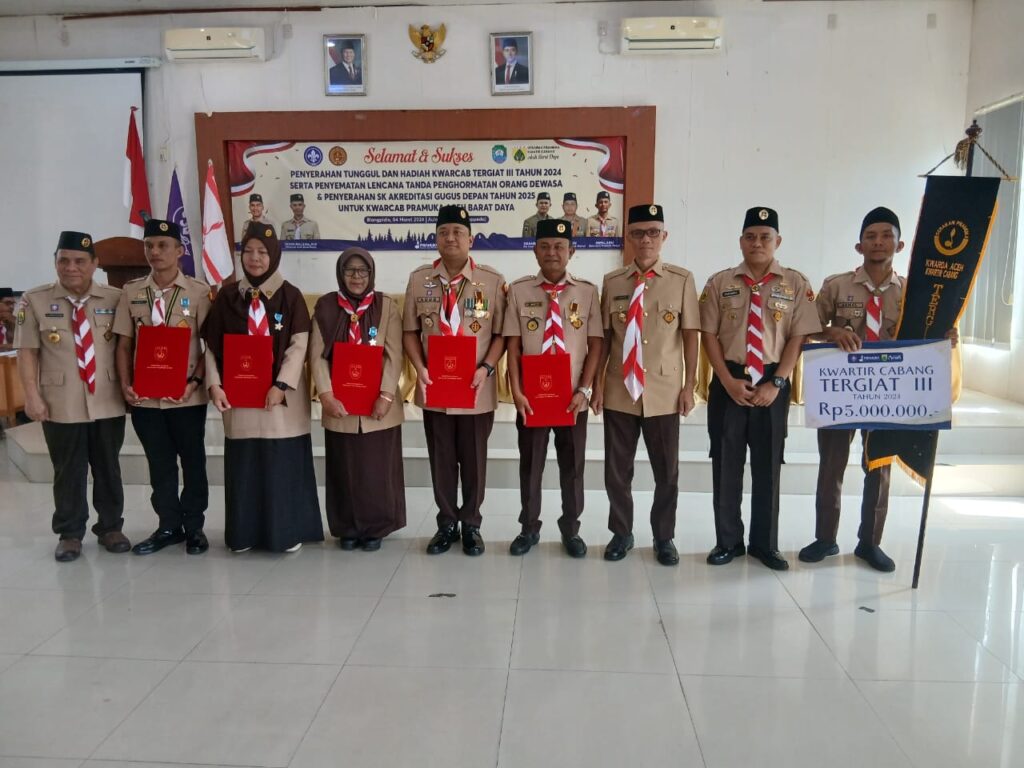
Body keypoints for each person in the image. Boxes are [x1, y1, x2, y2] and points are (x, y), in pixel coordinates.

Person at [799, 206, 939, 572]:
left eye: (886, 236)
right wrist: (832, 331)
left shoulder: (912, 292)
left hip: (888, 393)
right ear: (859, 246)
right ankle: (825, 538)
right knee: (831, 466)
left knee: (879, 468)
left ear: (900, 244)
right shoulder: (836, 285)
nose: (878, 242)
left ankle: (870, 542)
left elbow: (925, 336)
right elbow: (808, 326)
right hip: (841, 391)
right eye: (870, 236)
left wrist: (946, 337)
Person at [700, 207, 822, 570]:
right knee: (726, 464)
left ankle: (765, 544)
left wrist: (778, 382)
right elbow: (708, 335)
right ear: (741, 241)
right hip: (730, 380)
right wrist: (726, 380)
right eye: (750, 237)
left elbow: (799, 336)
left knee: (768, 466)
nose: (757, 243)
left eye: (765, 237)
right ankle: (728, 542)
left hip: (773, 380)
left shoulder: (795, 283)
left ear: (777, 241)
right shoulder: (719, 282)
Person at [201, 224, 323, 553]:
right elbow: (211, 347)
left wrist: (281, 384)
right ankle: (244, 534)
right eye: (249, 251)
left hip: (280, 401)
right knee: (245, 467)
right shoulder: (227, 297)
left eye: (263, 252)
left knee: (280, 465)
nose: (255, 258)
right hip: (238, 399)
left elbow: (299, 344)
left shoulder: (290, 295)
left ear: (275, 256)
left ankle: (286, 532)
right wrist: (214, 385)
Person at [591, 204, 699, 566]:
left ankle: (663, 536)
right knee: (616, 470)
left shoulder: (681, 280)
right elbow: (605, 338)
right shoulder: (613, 282)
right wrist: (596, 385)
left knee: (666, 471)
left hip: (664, 391)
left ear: (664, 236)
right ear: (628, 238)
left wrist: (689, 385)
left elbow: (690, 336)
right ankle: (621, 532)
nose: (646, 240)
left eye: (653, 232)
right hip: (619, 389)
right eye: (638, 233)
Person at [15, 231, 130, 562]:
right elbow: (27, 352)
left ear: (95, 264)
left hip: (106, 398)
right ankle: (69, 533)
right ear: (55, 262)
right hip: (60, 401)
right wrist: (31, 396)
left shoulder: (115, 298)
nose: (71, 267)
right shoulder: (35, 300)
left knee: (108, 466)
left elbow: (128, 347)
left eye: (80, 261)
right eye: (63, 260)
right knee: (68, 469)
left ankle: (110, 527)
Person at [403, 205, 506, 556]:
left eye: (458, 232)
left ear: (470, 240)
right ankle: (446, 522)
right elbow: (410, 331)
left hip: (475, 388)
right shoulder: (418, 280)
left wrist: (486, 368)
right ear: (435, 238)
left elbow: (501, 335)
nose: (451, 238)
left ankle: (472, 525)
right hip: (436, 387)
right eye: (444, 232)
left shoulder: (492, 281)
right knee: (442, 460)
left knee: (474, 462)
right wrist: (420, 367)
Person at [113, 219, 212, 556]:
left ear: (180, 251)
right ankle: (168, 525)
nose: (155, 252)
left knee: (193, 462)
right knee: (159, 464)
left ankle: (194, 526)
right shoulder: (131, 292)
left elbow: (209, 346)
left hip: (186, 398)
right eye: (149, 245)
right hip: (146, 398)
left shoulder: (199, 292)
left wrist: (194, 382)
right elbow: (124, 345)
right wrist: (125, 385)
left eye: (162, 245)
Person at [504, 219, 602, 558]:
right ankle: (529, 528)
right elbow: (513, 347)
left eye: (559, 246)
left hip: (572, 397)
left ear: (571, 251)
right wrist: (516, 392)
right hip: (532, 397)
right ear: (535, 251)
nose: (552, 252)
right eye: (544, 246)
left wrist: (585, 390)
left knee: (573, 469)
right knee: (530, 466)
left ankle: (571, 529)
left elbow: (596, 345)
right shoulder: (519, 291)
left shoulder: (587, 292)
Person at [310, 248, 406, 551]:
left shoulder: (386, 306)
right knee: (344, 467)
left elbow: (394, 355)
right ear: (340, 273)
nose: (356, 276)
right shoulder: (326, 306)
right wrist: (326, 395)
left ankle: (376, 527)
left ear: (371, 273)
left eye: (362, 271)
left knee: (376, 468)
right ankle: (346, 528)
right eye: (349, 270)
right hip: (339, 403)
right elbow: (317, 355)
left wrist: (386, 394)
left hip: (379, 405)